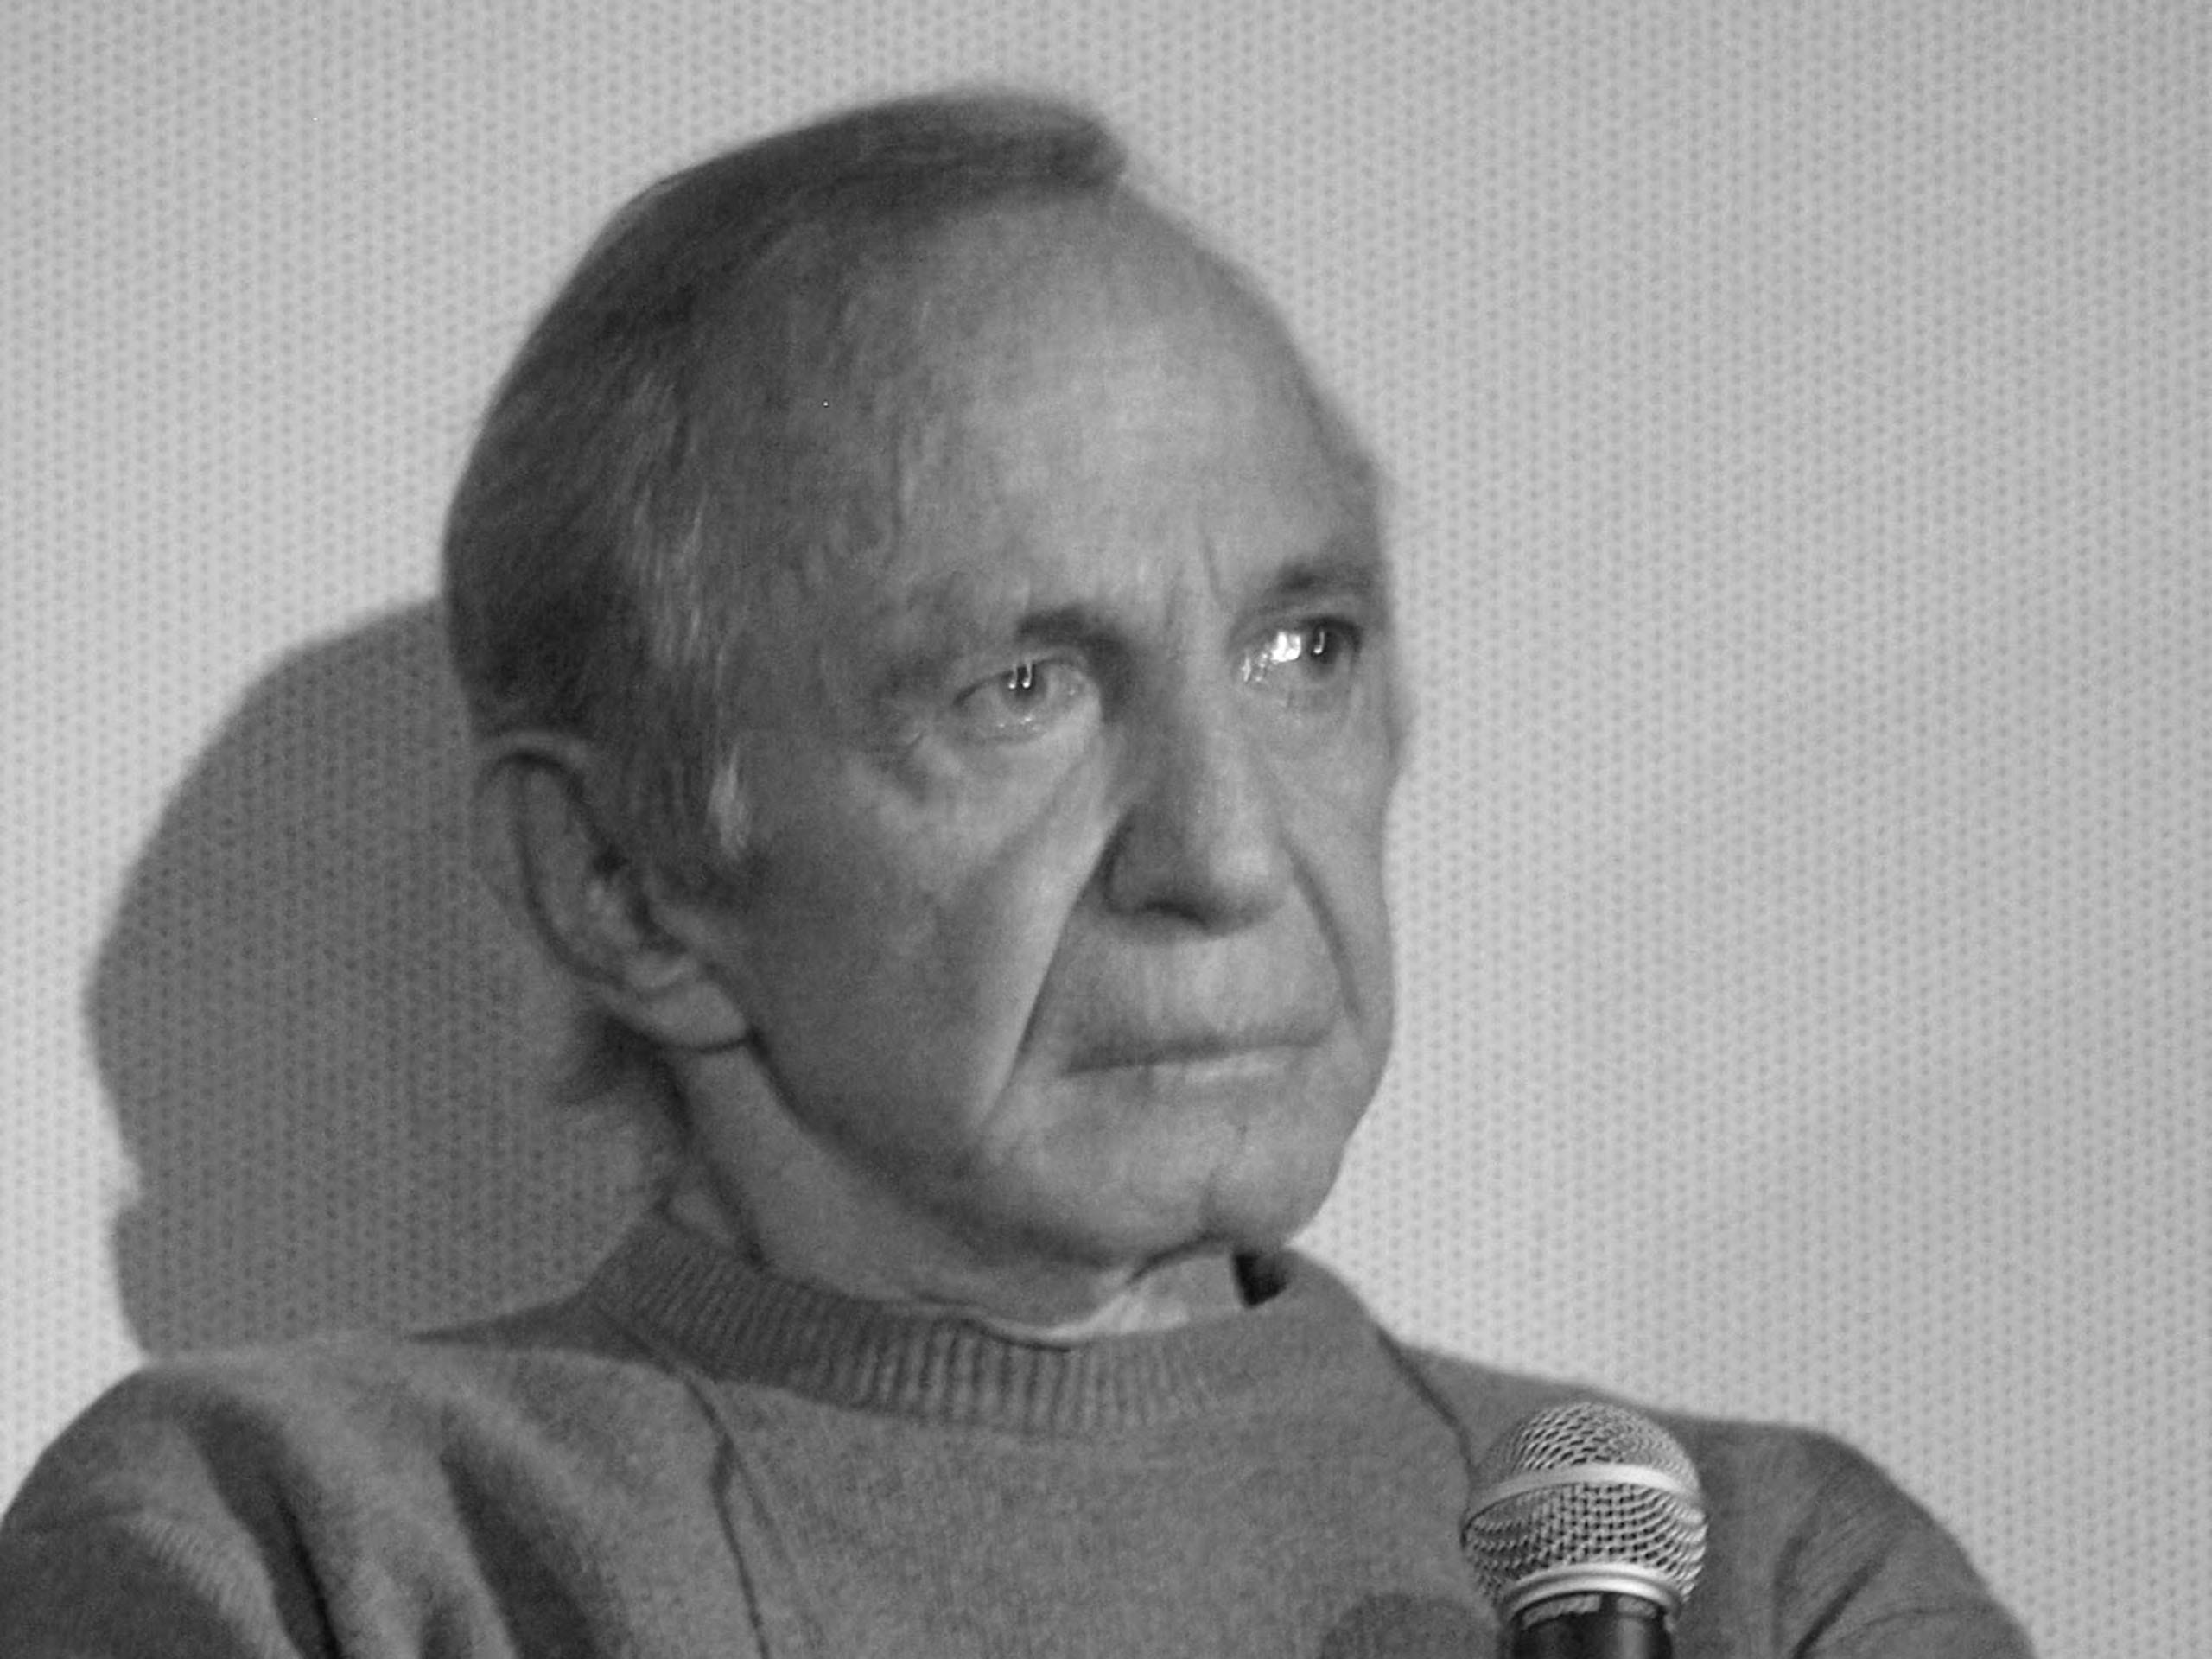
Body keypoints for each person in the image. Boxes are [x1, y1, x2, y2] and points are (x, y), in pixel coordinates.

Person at [0, 91, 2032, 1656]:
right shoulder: (301, 1549)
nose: (1226, 853)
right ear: (619, 879)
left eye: (1301, 651)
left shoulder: (1754, 1575)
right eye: (1020, 687)